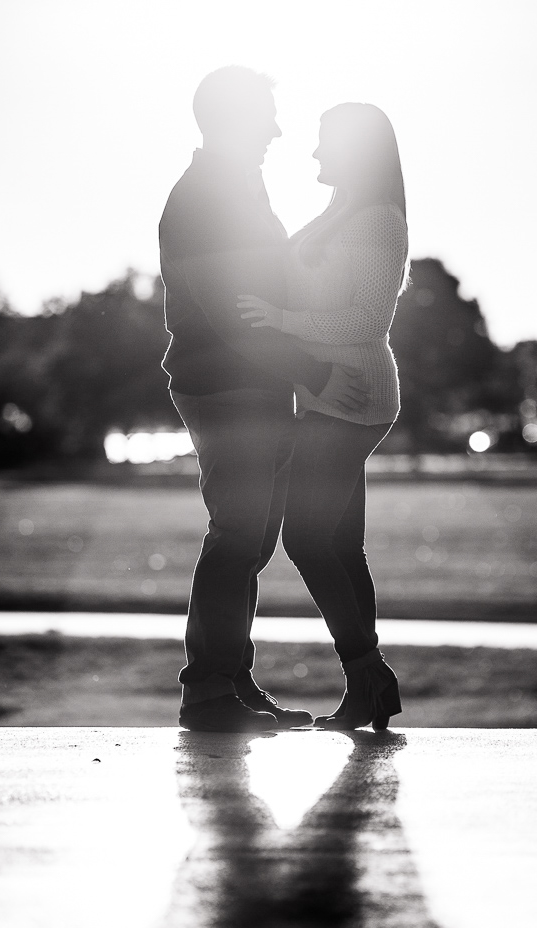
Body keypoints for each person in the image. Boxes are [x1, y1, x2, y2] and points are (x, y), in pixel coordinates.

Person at [159, 68, 369, 733]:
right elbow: (234, 313)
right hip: (230, 388)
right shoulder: (206, 197)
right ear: (233, 119)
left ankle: (231, 682)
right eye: (266, 116)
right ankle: (208, 691)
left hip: (255, 386)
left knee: (248, 541)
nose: (277, 130)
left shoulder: (235, 190)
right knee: (237, 536)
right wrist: (311, 370)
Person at [237, 103, 409, 730]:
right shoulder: (343, 211)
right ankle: (368, 690)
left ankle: (370, 673)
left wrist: (281, 321)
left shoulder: (376, 222)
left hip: (352, 395)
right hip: (330, 393)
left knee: (306, 539)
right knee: (340, 544)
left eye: (326, 145)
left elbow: (365, 322)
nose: (314, 155)